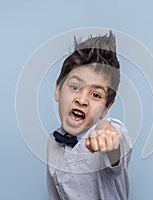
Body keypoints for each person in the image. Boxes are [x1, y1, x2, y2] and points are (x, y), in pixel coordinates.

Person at [47, 31, 132, 200]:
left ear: (107, 106)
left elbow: (115, 137)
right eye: (75, 87)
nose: (82, 100)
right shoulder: (53, 142)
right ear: (58, 90)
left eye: (96, 95)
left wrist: (107, 134)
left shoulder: (109, 134)